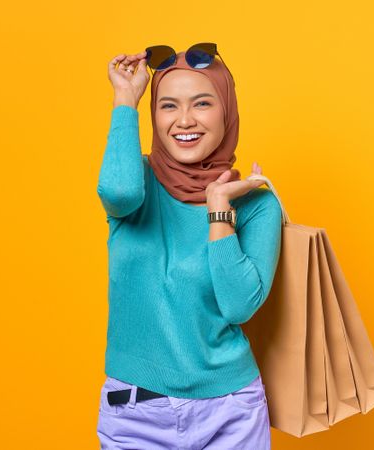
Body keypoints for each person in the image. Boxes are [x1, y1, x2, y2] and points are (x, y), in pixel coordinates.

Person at [96, 48, 282, 449]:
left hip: (232, 410)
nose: (184, 121)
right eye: (168, 106)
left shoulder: (257, 204)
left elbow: (237, 305)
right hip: (135, 413)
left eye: (202, 103)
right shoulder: (136, 182)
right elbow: (118, 191)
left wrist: (219, 209)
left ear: (226, 111)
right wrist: (126, 98)